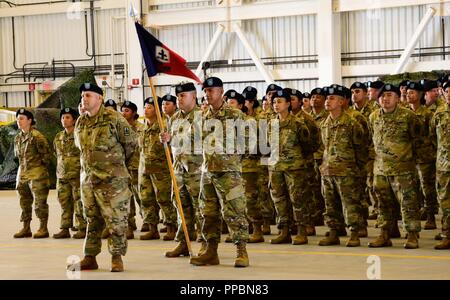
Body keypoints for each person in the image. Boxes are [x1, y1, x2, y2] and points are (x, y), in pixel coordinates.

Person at [71, 82, 137, 272]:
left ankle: (116, 257)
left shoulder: (114, 118)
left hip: (112, 181)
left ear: (99, 98)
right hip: (89, 180)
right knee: (91, 219)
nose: (84, 98)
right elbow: (81, 149)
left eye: (89, 95)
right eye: (83, 95)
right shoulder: (81, 121)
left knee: (116, 220)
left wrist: (117, 168)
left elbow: (131, 145)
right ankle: (90, 256)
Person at [189, 77, 250, 267]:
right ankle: (210, 251)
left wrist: (231, 158)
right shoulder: (202, 117)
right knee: (208, 213)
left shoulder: (235, 115)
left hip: (229, 173)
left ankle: (241, 251)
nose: (207, 94)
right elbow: (192, 140)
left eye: (211, 90)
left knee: (234, 212)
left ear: (221, 92)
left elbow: (248, 141)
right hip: (208, 174)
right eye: (205, 91)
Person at [368, 84, 422, 249]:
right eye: (383, 95)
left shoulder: (408, 117)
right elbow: (372, 140)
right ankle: (385, 234)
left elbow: (418, 141)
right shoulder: (373, 117)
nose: (385, 98)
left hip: (403, 170)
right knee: (383, 204)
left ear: (398, 98)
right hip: (381, 169)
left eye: (390, 95)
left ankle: (412, 235)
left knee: (408, 203)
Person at [318, 86, 367, 247]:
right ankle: (334, 232)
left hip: (347, 171)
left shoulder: (352, 122)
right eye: (327, 99)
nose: (327, 101)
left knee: (350, 203)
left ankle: (354, 233)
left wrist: (358, 170)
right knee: (330, 204)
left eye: (331, 98)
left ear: (341, 101)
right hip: (328, 170)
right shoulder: (325, 123)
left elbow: (361, 148)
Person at [160, 82, 204, 257]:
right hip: (179, 170)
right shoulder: (175, 117)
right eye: (178, 96)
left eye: (183, 95)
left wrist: (172, 138)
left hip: (196, 170)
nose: (179, 99)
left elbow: (195, 138)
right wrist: (166, 140)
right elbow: (174, 144)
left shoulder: (202, 115)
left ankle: (205, 244)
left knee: (200, 208)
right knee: (181, 207)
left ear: (193, 96)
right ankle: (183, 242)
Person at [268, 89, 312, 245]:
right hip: (275, 169)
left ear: (288, 104)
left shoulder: (298, 124)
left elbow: (308, 145)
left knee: (298, 200)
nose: (276, 105)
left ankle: (301, 231)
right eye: (274, 102)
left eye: (279, 101)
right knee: (279, 200)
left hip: (294, 168)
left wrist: (300, 162)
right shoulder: (270, 124)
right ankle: (284, 231)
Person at [139, 97, 178, 241]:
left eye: (149, 107)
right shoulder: (143, 126)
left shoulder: (164, 126)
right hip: (145, 169)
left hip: (161, 169)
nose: (146, 109)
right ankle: (152, 228)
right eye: (145, 107)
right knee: (147, 199)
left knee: (164, 198)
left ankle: (171, 228)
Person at [13, 108, 51, 239]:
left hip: (37, 174)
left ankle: (43, 227)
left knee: (40, 203)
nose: (19, 121)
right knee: (24, 202)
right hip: (22, 174)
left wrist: (39, 169)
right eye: (17, 119)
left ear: (29, 120)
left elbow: (46, 156)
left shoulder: (37, 137)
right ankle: (26, 227)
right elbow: (17, 157)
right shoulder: (18, 138)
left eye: (22, 119)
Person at [406, 82, 438, 230]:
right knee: (412, 188)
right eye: (407, 92)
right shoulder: (404, 113)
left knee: (428, 188)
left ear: (420, 95)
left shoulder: (428, 114)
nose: (408, 95)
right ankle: (419, 212)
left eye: (412, 92)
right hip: (408, 157)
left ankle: (431, 216)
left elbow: (433, 136)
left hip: (425, 158)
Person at [53, 107, 86, 239]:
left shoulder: (80, 135)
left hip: (77, 174)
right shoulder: (58, 137)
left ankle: (82, 227)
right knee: (64, 202)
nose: (64, 120)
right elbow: (56, 153)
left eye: (67, 117)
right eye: (62, 117)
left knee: (79, 202)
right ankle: (65, 228)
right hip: (62, 175)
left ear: (74, 120)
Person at [120, 100, 145, 238]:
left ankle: (147, 221)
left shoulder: (142, 128)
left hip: (138, 167)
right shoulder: (121, 129)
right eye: (122, 110)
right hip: (124, 168)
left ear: (134, 113)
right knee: (126, 199)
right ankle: (129, 224)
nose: (124, 113)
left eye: (127, 110)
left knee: (142, 197)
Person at [430, 80, 450, 249]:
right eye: (447, 90)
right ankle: (448, 234)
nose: (449, 93)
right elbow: (432, 138)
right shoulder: (439, 114)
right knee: (445, 201)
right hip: (444, 166)